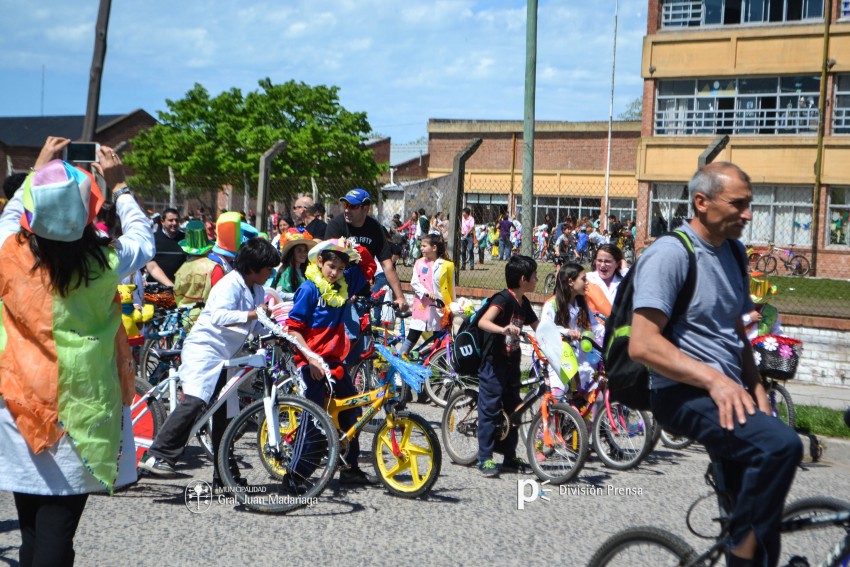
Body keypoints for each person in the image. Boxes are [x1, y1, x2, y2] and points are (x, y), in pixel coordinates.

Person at [629, 162, 802, 566]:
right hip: (681, 393)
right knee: (782, 447)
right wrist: (715, 380)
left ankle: (745, 546)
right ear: (702, 202)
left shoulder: (735, 253)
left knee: (762, 522)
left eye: (749, 204)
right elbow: (642, 344)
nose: (748, 214)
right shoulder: (671, 253)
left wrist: (755, 387)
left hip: (729, 392)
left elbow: (737, 332)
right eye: (738, 204)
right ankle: (741, 544)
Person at [0, 137, 154, 565]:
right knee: (56, 530)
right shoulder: (106, 261)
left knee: (32, 527)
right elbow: (144, 238)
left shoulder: (8, 254)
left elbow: (12, 214)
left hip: (20, 408)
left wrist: (37, 172)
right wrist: (120, 186)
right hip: (82, 413)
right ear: (88, 213)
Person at [139, 238, 280, 480]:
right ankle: (157, 455)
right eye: (268, 268)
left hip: (225, 357)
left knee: (224, 416)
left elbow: (255, 324)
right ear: (253, 267)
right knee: (195, 401)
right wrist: (253, 314)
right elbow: (219, 317)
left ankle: (224, 475)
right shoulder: (229, 285)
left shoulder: (255, 289)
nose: (271, 273)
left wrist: (276, 334)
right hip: (204, 351)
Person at [284, 238, 377, 487]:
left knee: (352, 411)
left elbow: (369, 267)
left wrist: (355, 246)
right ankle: (295, 475)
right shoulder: (309, 289)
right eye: (330, 266)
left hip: (334, 362)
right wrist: (311, 359)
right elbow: (292, 330)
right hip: (310, 362)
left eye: (339, 268)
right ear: (320, 262)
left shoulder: (344, 284)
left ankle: (349, 467)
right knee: (314, 419)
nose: (335, 272)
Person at [474, 255, 539, 476]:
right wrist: (503, 329)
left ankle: (509, 457)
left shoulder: (524, 303)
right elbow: (483, 321)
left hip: (512, 364)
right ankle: (485, 458)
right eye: (534, 276)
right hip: (494, 364)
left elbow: (539, 328)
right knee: (490, 409)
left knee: (514, 409)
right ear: (523, 279)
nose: (537, 280)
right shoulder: (503, 299)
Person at [325, 188, 409, 343]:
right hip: (336, 292)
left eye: (353, 206)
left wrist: (400, 297)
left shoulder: (374, 228)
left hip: (361, 293)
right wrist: (341, 292)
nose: (347, 210)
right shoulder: (336, 225)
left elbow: (387, 264)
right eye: (346, 205)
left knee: (363, 345)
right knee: (345, 344)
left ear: (366, 208)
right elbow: (326, 264)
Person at [540, 262, 605, 401]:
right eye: (583, 279)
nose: (587, 283)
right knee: (559, 393)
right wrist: (566, 331)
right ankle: (552, 419)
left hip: (580, 355)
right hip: (559, 357)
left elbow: (596, 327)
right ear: (570, 281)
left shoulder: (581, 303)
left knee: (595, 388)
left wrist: (612, 333)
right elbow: (545, 329)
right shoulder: (552, 304)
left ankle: (587, 420)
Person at [401, 234, 456, 356]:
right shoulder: (419, 263)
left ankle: (439, 368)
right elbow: (414, 282)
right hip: (421, 306)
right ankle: (398, 362)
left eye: (424, 246)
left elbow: (451, 289)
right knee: (412, 337)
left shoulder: (446, 265)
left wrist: (452, 306)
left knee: (439, 341)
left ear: (434, 248)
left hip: (438, 309)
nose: (421, 248)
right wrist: (426, 293)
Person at [172, 220, 216, 310]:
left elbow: (177, 293)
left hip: (184, 316)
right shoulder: (214, 267)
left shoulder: (182, 269)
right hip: (206, 318)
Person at [584, 243, 629, 323]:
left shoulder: (624, 282)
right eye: (599, 260)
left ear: (617, 264)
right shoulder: (586, 280)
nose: (602, 265)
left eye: (607, 261)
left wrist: (625, 271)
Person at [270, 228, 316, 297]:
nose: (303, 253)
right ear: (292, 253)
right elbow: (279, 293)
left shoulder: (305, 271)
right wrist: (300, 297)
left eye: (305, 250)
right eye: (299, 250)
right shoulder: (287, 271)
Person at [146, 207, 186, 286]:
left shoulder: (185, 239)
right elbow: (149, 264)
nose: (174, 223)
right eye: (171, 220)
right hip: (156, 288)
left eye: (177, 220)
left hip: (180, 287)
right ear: (162, 221)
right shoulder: (153, 239)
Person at [743, 272, 781, 341]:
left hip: (763, 347)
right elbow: (733, 329)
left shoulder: (772, 311)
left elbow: (776, 331)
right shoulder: (740, 309)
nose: (757, 304)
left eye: (761, 302)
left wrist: (784, 341)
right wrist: (749, 318)